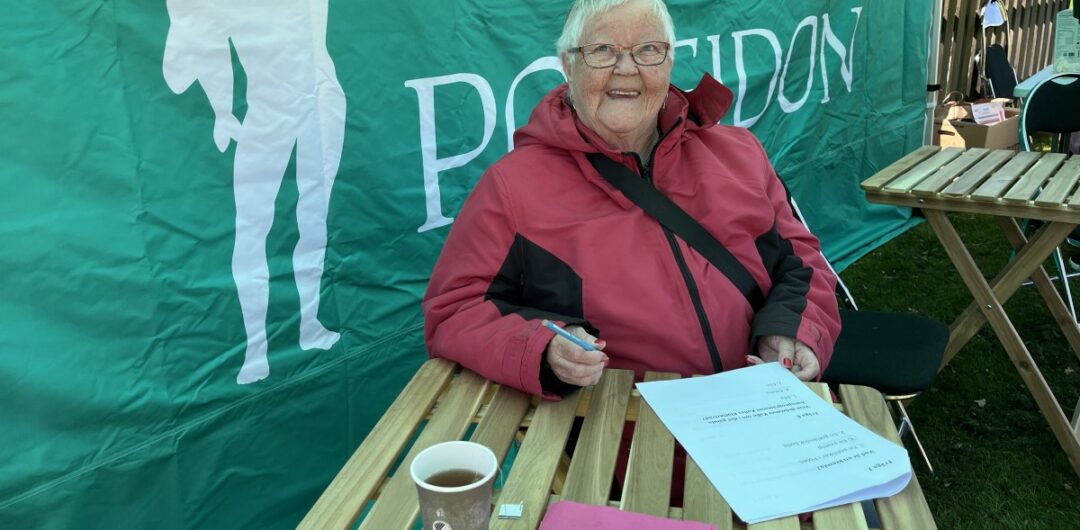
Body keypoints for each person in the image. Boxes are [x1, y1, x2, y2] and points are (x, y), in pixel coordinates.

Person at [423, 0, 841, 399]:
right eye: (603, 50)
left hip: (760, 404)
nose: (627, 69)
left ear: (669, 61)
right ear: (568, 64)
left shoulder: (739, 153)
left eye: (648, 50)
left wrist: (791, 330)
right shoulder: (511, 187)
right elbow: (454, 310)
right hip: (620, 427)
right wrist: (544, 348)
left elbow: (803, 261)